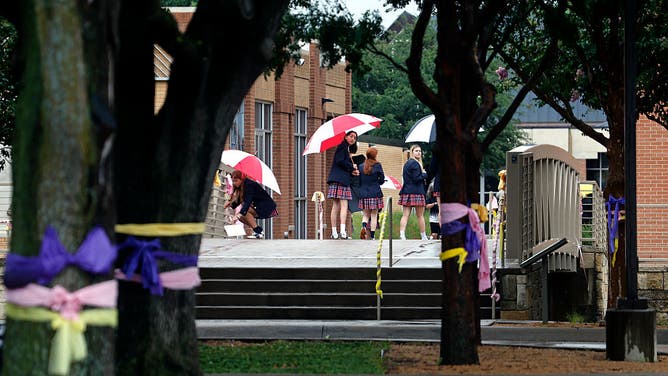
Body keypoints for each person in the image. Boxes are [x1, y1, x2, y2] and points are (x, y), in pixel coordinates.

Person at [224, 169, 278, 239]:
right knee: (241, 218)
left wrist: (239, 214)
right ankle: (258, 231)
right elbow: (241, 199)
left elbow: (247, 201)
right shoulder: (242, 185)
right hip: (258, 206)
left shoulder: (249, 185)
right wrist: (231, 204)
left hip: (266, 207)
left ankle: (258, 232)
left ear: (241, 179)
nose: (234, 183)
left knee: (244, 212)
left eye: (236, 181)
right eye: (233, 181)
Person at [326, 130, 359, 239]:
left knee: (336, 205)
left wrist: (352, 170)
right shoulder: (342, 147)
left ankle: (335, 232)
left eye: (355, 138)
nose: (353, 139)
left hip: (336, 179)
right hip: (341, 181)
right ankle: (342, 232)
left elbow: (341, 163)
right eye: (351, 136)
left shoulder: (345, 148)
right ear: (345, 137)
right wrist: (351, 167)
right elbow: (340, 161)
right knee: (343, 205)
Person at [399, 144, 428, 240]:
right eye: (416, 151)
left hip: (406, 191)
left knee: (405, 215)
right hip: (417, 192)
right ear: (412, 152)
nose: (419, 152)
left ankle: (402, 234)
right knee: (420, 216)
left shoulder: (407, 163)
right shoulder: (415, 164)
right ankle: (423, 236)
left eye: (420, 151)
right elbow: (416, 178)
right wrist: (424, 174)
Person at [357, 147, 385, 240]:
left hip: (364, 194)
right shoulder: (377, 165)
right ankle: (372, 236)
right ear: (375, 155)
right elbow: (381, 180)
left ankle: (364, 227)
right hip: (375, 193)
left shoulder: (361, 166)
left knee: (365, 215)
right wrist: (378, 181)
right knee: (374, 215)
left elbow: (358, 181)